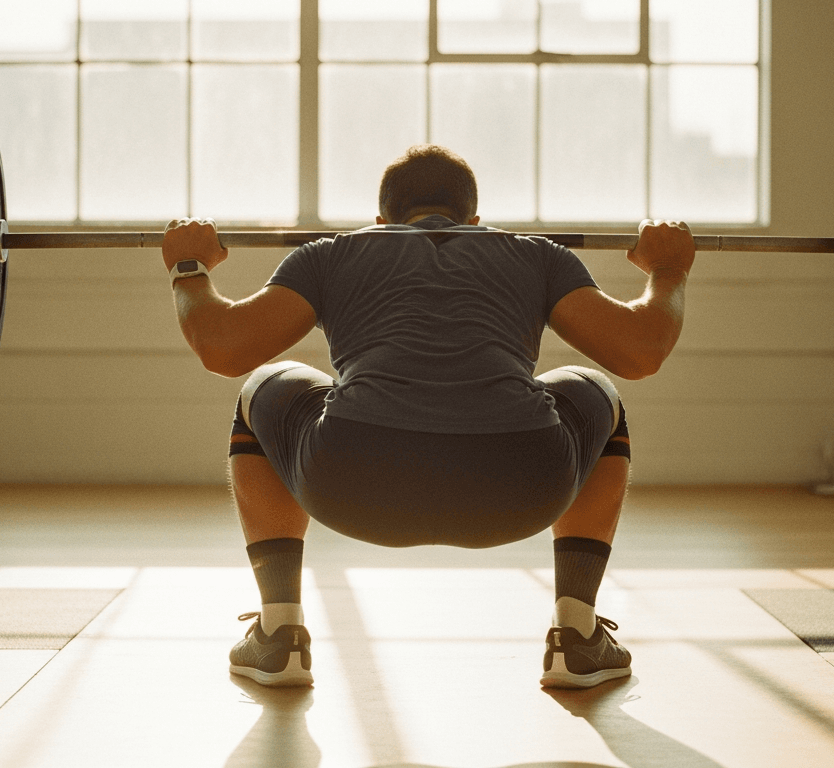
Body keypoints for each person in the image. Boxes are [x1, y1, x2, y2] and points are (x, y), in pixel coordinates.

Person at [161, 145, 694, 690]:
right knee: (595, 388)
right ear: (474, 220)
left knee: (263, 387)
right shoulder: (536, 256)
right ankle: (578, 639)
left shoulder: (334, 254)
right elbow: (640, 351)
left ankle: (278, 637)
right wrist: (668, 268)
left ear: (380, 220)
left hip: (353, 479)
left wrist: (189, 265)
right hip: (522, 484)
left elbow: (222, 348)